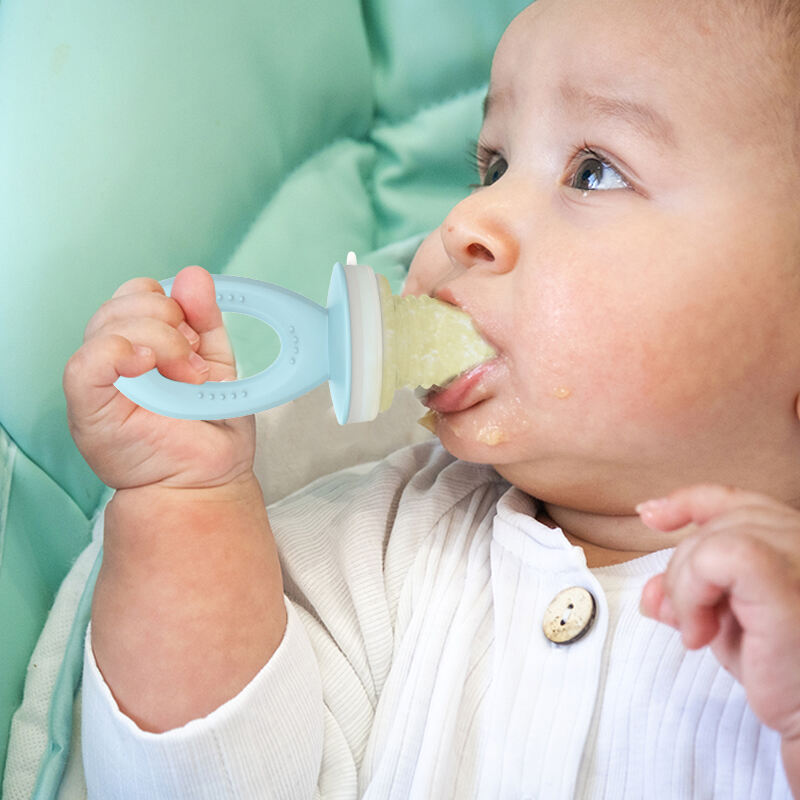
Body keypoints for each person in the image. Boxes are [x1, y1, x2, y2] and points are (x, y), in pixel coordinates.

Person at [63, 0, 800, 796]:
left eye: (594, 171)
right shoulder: (379, 550)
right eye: (490, 167)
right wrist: (187, 504)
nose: (463, 221)